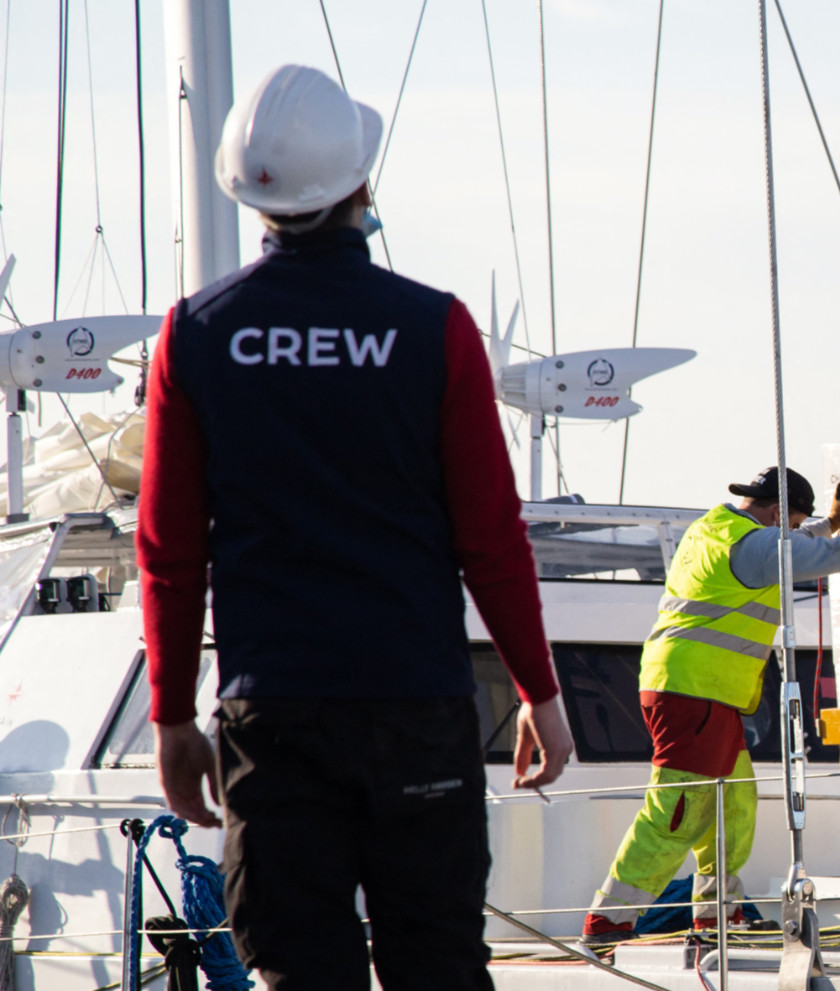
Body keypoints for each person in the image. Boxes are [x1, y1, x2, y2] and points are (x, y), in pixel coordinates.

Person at [137, 64, 574, 989]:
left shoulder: (198, 335)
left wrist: (173, 715)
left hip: (274, 716)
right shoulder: (434, 330)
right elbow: (491, 538)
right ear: (360, 185)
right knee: (438, 964)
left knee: (300, 968)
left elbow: (170, 552)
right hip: (416, 709)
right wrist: (539, 689)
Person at [581, 467, 840, 946]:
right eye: (792, 523)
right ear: (777, 513)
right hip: (695, 691)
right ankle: (608, 922)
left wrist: (829, 522)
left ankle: (718, 915)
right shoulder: (755, 548)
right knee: (677, 811)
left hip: (699, 690)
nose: (793, 532)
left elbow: (790, 546)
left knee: (734, 803)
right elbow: (817, 556)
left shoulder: (718, 528)